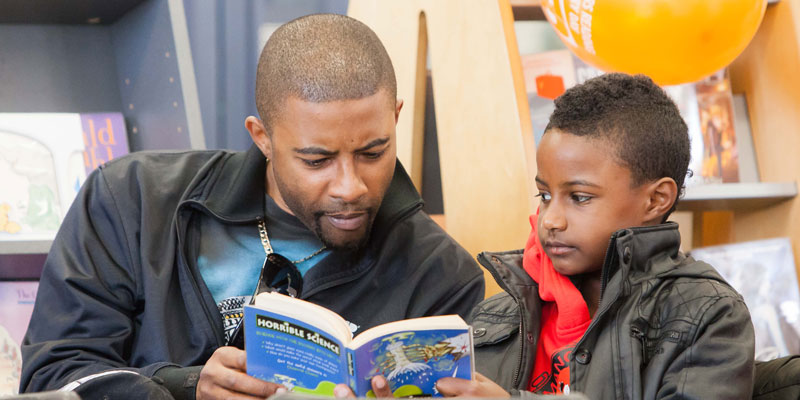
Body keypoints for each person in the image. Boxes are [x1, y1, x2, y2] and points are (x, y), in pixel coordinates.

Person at [20, 14, 484, 400]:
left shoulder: (440, 273)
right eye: (317, 160)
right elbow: (51, 376)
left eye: (373, 152)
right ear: (262, 137)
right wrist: (186, 388)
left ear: (396, 117)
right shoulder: (130, 200)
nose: (351, 186)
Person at [433, 73, 755, 398]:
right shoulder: (496, 314)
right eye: (544, 196)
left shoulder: (708, 316)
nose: (551, 220)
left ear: (656, 200)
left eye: (580, 197)